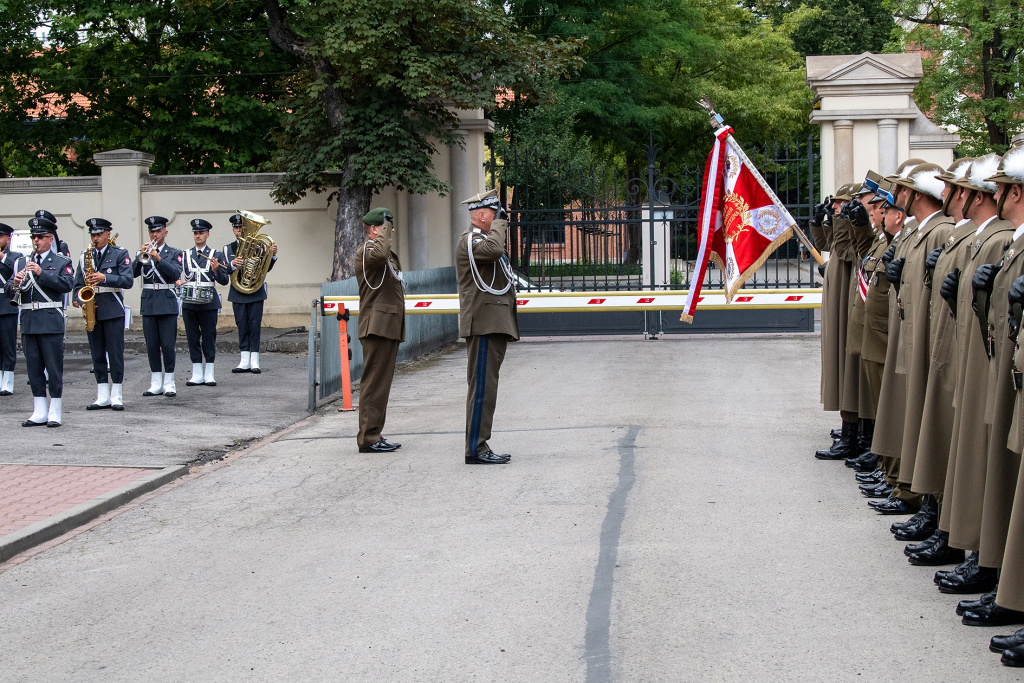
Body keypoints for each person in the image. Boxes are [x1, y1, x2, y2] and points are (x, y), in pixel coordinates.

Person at [456, 189, 519, 465]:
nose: (498, 221)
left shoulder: (483, 240)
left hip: (492, 322)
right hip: (482, 323)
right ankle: (476, 449)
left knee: (487, 388)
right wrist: (500, 225)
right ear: (481, 215)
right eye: (494, 215)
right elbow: (494, 250)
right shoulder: (470, 241)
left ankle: (480, 445)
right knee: (482, 388)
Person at [5, 217, 74, 426]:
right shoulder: (20, 261)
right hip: (28, 320)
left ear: (49, 238)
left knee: (53, 367)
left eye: (40, 237)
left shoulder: (62, 261)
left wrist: (41, 273)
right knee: (33, 367)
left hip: (50, 319)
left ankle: (55, 410)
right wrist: (15, 282)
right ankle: (39, 409)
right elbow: (9, 288)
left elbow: (67, 284)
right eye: (33, 237)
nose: (36, 241)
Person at [354, 207, 405, 453]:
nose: (391, 231)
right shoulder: (368, 251)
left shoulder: (382, 252)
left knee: (381, 385)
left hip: (386, 326)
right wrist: (382, 233)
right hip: (376, 326)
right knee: (374, 384)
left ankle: (374, 432)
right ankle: (367, 437)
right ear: (374, 229)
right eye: (387, 227)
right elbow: (381, 253)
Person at [72, 218, 134, 411]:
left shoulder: (120, 253)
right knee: (97, 354)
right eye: (93, 235)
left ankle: (116, 394)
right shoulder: (85, 256)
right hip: (93, 310)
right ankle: (101, 395)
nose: (95, 238)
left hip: (112, 309)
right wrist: (80, 300)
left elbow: (128, 280)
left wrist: (105, 277)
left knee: (115, 354)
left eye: (99, 234)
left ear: (108, 234)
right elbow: (77, 285)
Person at [134, 216, 184, 397]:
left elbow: (175, 273)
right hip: (149, 302)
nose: (154, 234)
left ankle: (169, 381)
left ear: (165, 232)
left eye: (158, 231)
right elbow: (131, 275)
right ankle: (155, 381)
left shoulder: (174, 252)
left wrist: (158, 258)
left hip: (167, 302)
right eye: (151, 231)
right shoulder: (143, 252)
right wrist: (140, 257)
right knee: (152, 345)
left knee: (168, 344)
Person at [223, 213, 278, 374]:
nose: (239, 230)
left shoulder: (259, 246)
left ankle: (255, 360)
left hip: (255, 291)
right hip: (238, 291)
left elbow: (265, 269)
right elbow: (225, 269)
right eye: (236, 228)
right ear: (233, 230)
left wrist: (272, 255)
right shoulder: (228, 248)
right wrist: (233, 264)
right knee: (242, 325)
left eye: (241, 227)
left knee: (254, 325)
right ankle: (244, 360)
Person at [177, 219, 229, 386]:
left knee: (208, 336)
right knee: (192, 337)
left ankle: (210, 372)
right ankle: (197, 372)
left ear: (207, 234)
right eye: (195, 233)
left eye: (201, 233)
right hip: (190, 302)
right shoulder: (184, 254)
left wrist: (215, 270)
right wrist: (177, 281)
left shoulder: (216, 254)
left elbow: (224, 280)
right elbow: (178, 275)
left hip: (208, 302)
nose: (198, 236)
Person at [0, 223, 23, 396]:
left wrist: (1, 258)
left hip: (7, 306)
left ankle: (7, 382)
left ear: (8, 239)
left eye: (0, 237)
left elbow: (14, 274)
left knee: (8, 345)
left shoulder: (15, 257)